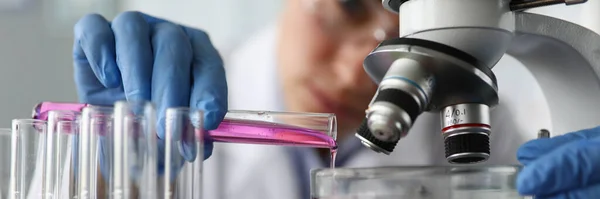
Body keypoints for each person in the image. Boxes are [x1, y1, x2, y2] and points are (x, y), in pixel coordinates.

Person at [72, 0, 600, 198]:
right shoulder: (182, 100)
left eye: (398, 36)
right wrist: (109, 167)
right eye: (348, 5)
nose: (356, 70)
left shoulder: (482, 130)